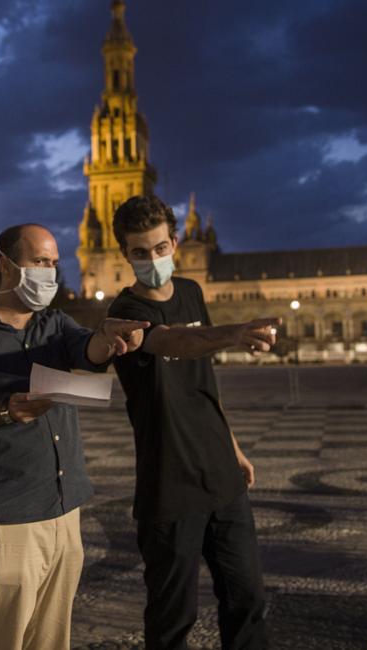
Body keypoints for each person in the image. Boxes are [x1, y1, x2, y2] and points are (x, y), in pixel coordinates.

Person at [0, 223, 147, 650]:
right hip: (5, 515)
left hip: (64, 509)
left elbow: (88, 350)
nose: (50, 272)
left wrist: (108, 337)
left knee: (52, 641)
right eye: (39, 262)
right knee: (2, 640)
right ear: (5, 265)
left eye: (54, 264)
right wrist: (2, 411)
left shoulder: (55, 323)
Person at [107, 194, 273, 648]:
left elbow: (204, 383)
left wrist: (233, 446)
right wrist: (234, 333)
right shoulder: (122, 316)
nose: (152, 259)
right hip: (169, 482)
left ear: (175, 243)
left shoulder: (193, 293)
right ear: (125, 254)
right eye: (140, 252)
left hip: (221, 474)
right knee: (173, 617)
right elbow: (175, 342)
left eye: (160, 248)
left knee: (248, 600)